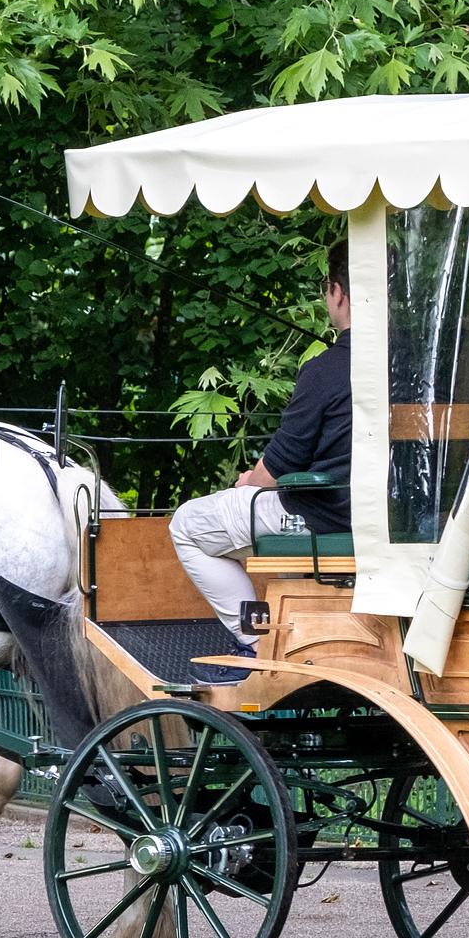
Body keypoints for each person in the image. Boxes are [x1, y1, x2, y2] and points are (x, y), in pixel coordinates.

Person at [170, 243, 353, 647]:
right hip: (403, 521)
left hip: (327, 516)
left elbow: (280, 466)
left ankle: (257, 646)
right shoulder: (419, 370)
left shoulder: (325, 370)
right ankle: (304, 634)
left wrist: (248, 482)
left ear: (337, 292)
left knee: (187, 525)